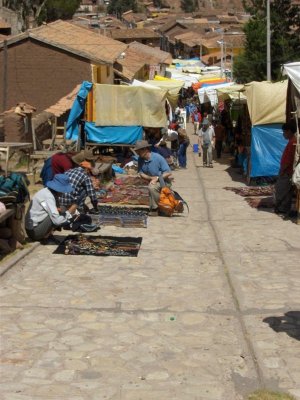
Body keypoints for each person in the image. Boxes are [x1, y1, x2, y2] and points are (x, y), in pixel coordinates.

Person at [25, 174, 76, 243]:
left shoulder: (49, 192)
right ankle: (45, 237)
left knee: (60, 211)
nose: (64, 193)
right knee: (56, 217)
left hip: (36, 227)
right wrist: (69, 212)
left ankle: (47, 235)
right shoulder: (48, 196)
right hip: (34, 232)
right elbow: (57, 221)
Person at [134, 140, 174, 216]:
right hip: (152, 180)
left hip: (163, 181)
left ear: (145, 149)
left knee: (152, 187)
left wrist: (157, 178)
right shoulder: (140, 159)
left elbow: (168, 172)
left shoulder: (158, 158)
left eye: (138, 151)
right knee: (150, 185)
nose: (137, 153)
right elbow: (141, 173)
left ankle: (155, 209)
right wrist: (151, 178)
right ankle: (162, 204)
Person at [274, 121, 297, 215]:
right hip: (288, 171)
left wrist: (282, 171)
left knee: (280, 189)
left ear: (289, 131)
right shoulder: (292, 142)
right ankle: (283, 208)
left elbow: (288, 160)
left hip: (287, 172)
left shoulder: (293, 143)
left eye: (284, 132)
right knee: (287, 191)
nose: (283, 134)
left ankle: (281, 208)